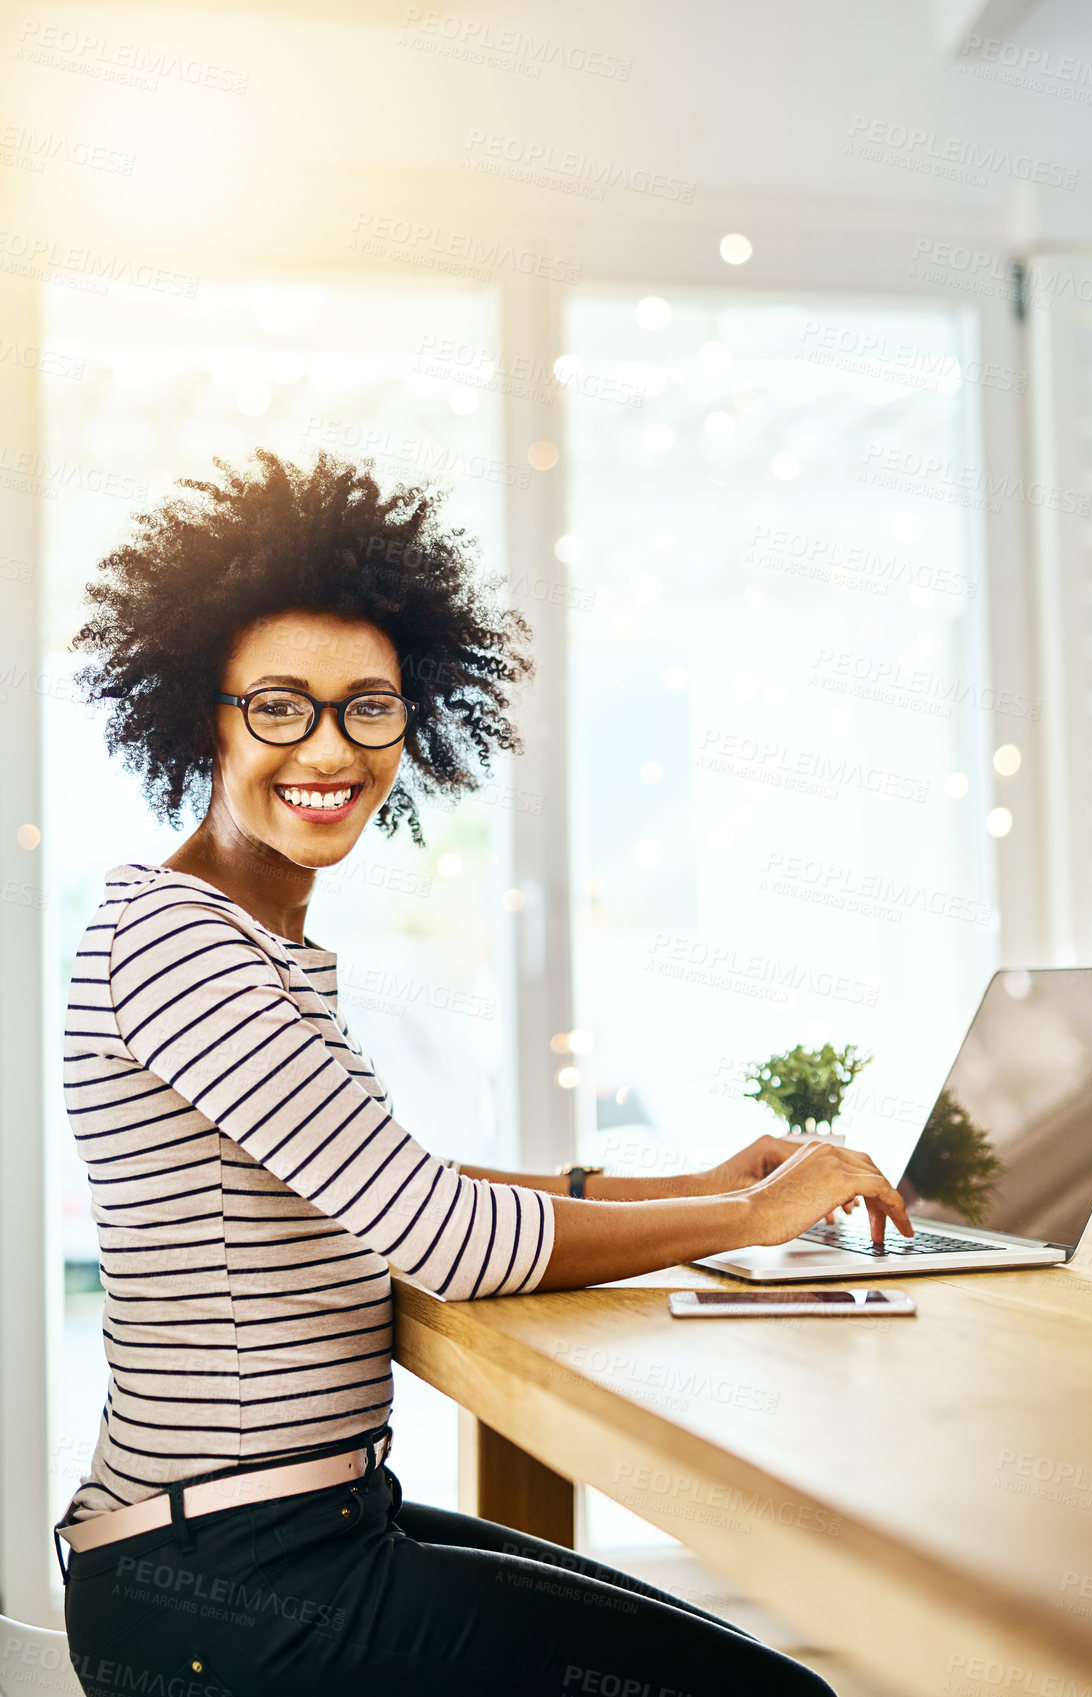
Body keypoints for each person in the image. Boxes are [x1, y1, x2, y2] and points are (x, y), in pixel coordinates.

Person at [56, 450, 912, 1696]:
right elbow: (444, 1237)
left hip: (308, 1531)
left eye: (370, 705)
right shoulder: (178, 939)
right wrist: (748, 1216)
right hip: (224, 1581)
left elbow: (382, 1181)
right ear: (205, 713)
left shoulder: (252, 939)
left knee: (747, 1669)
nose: (330, 746)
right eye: (280, 704)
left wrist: (670, 1180)